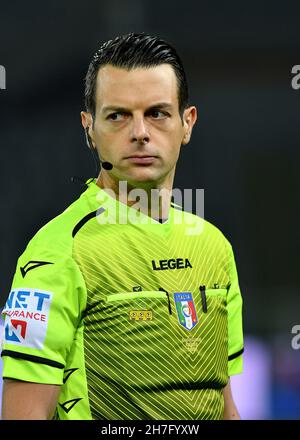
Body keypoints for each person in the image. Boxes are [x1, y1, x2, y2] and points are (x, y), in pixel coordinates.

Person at [1, 32, 244, 420]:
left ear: (187, 123)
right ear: (89, 129)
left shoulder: (215, 248)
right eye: (118, 116)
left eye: (157, 113)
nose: (140, 133)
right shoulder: (56, 254)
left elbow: (223, 403)